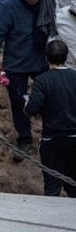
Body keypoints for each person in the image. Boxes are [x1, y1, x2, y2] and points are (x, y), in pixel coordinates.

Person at [0, 0, 49, 161]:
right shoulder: (8, 7)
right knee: (18, 102)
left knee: (49, 98)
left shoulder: (47, 3)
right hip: (16, 62)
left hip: (40, 59)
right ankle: (24, 138)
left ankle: (50, 137)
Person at [24, 39, 76, 197]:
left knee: (52, 188)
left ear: (47, 58)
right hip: (75, 140)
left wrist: (26, 103)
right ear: (66, 57)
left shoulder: (42, 80)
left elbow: (32, 109)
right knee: (74, 187)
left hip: (52, 142)